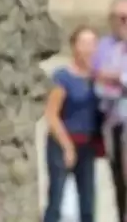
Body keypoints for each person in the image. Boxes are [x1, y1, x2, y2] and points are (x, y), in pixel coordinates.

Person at [43, 26, 100, 222]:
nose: (88, 48)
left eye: (92, 43)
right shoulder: (63, 77)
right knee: (56, 200)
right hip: (62, 143)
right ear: (73, 46)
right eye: (83, 43)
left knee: (88, 204)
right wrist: (67, 147)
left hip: (87, 146)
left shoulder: (97, 77)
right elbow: (51, 115)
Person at [93, 0, 127, 220]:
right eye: (119, 17)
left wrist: (117, 77)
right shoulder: (104, 46)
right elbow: (97, 80)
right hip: (112, 120)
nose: (123, 22)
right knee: (118, 178)